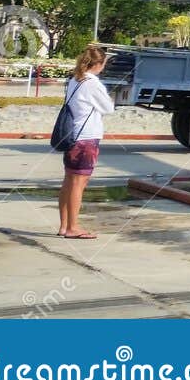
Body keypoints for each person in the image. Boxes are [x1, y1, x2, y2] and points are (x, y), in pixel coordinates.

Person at [58, 43, 114, 240]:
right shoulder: (92, 83)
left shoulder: (75, 80)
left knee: (68, 182)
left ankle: (64, 225)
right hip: (87, 138)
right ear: (99, 64)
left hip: (72, 137)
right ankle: (73, 227)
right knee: (78, 184)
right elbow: (108, 108)